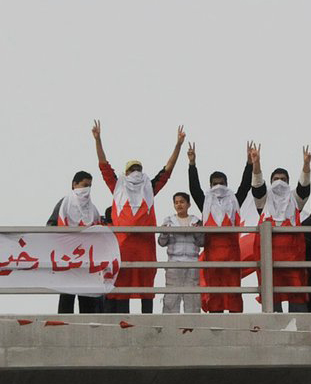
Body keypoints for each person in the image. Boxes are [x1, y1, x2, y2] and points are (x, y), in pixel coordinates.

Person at [93, 120, 184, 314]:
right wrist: (98, 140)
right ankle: (129, 322)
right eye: (133, 170)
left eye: (138, 169)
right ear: (126, 173)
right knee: (127, 285)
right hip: (126, 246)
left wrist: (178, 145)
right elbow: (104, 166)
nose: (136, 173)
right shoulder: (124, 186)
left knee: (143, 285)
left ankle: (143, 322)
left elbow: (167, 171)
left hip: (138, 246)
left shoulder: (143, 187)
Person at [188, 141, 253, 313]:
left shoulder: (234, 201)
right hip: (212, 256)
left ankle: (236, 322)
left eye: (222, 183)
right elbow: (194, 189)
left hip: (232, 256)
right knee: (214, 292)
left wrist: (249, 164)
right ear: (210, 186)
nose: (219, 187)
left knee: (233, 291)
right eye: (215, 183)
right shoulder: (205, 203)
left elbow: (245, 186)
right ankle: (215, 319)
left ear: (227, 184)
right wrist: (192, 164)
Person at [251, 144, 311, 312]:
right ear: (270, 182)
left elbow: (304, 187)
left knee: (297, 296)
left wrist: (306, 165)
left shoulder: (295, 199)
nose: (279, 182)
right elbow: (257, 186)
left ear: (289, 182)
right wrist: (256, 163)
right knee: (271, 299)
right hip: (269, 260)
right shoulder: (263, 201)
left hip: (293, 260)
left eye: (283, 179)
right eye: (276, 179)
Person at [47, 170, 102, 313]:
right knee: (67, 298)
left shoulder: (92, 209)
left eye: (90, 186)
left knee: (87, 300)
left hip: (86, 262)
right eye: (84, 185)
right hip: (67, 259)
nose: (87, 189)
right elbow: (50, 226)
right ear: (74, 184)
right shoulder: (64, 204)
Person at [157, 192, 203, 313]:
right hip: (174, 264)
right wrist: (164, 233)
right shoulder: (168, 221)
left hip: (192, 264)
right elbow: (161, 242)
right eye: (176, 203)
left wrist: (198, 232)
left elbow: (202, 242)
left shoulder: (197, 221)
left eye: (182, 202)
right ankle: (170, 323)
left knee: (192, 298)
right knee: (171, 297)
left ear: (188, 204)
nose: (179, 205)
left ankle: (192, 324)